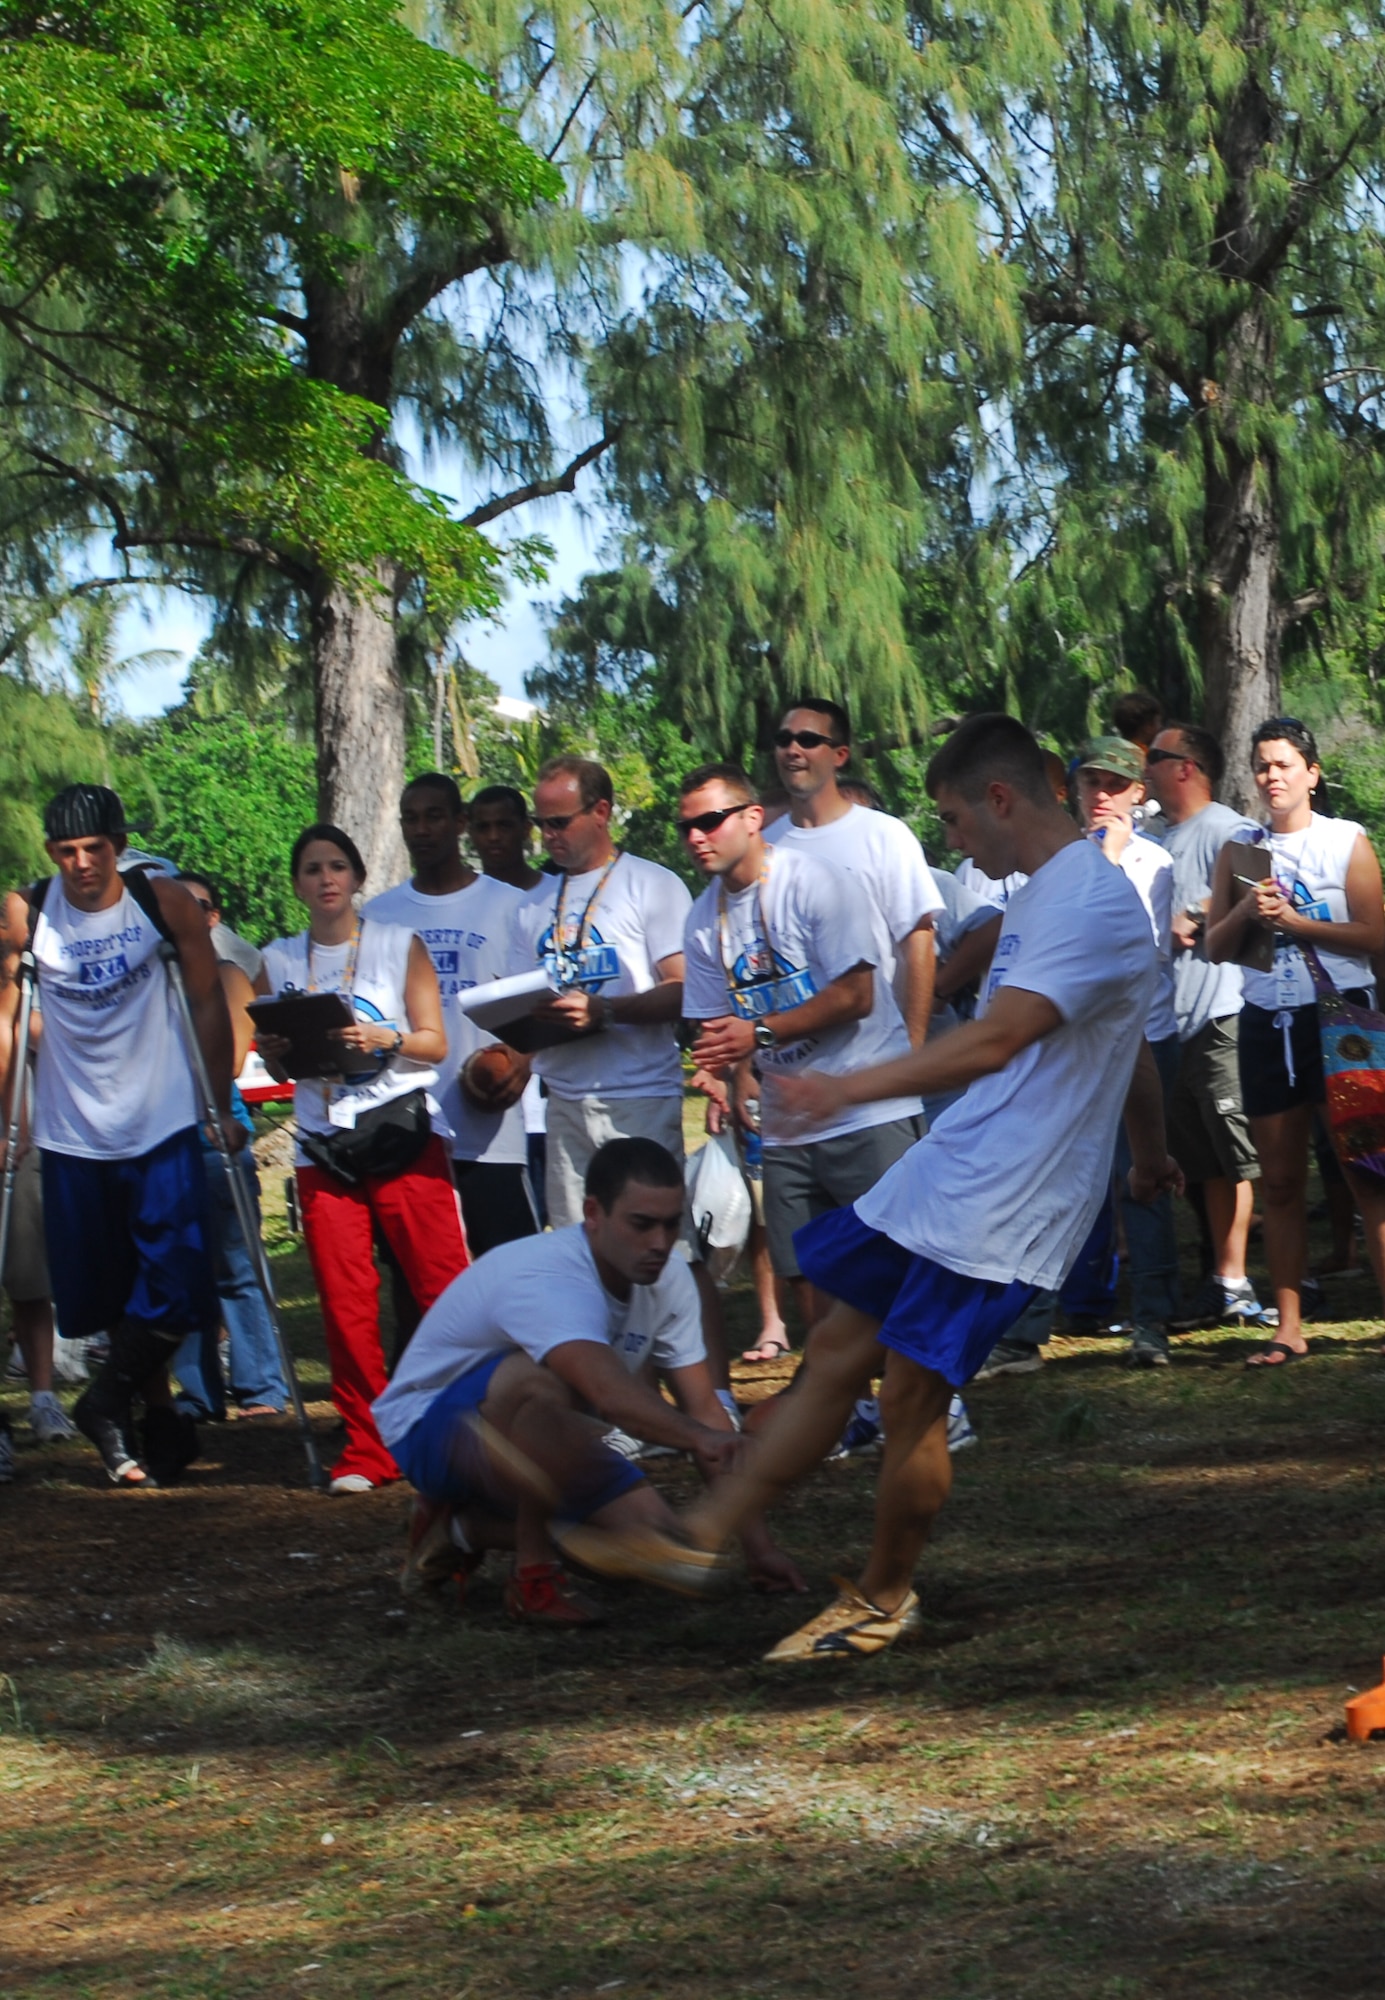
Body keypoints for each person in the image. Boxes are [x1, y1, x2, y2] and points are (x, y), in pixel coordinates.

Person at [561, 716, 1179, 1656]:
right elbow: (1117, 1038)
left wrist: (849, 1084)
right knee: (837, 1346)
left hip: (1002, 1205)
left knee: (909, 1400)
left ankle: (885, 1597)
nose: (952, 840)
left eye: (955, 818)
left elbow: (996, 1037)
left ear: (1001, 798)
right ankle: (695, 1537)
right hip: (951, 1173)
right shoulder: (1047, 898)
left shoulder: (1090, 902)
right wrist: (1148, 1149)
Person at [373, 1138, 802, 1622]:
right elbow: (609, 1396)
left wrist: (759, 1549)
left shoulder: (672, 1279)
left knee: (652, 1549)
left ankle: (458, 1529)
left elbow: (703, 1408)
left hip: (530, 1433)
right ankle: (534, 1577)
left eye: (670, 1223)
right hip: (431, 1428)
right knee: (543, 1378)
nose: (659, 1243)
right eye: (641, 1224)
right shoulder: (551, 1276)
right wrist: (699, 1437)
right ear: (593, 1213)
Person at [0, 784, 236, 1487]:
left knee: (181, 1283)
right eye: (66, 852)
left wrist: (217, 1101)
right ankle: (149, 1419)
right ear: (51, 854)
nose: (80, 864)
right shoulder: (28, 911)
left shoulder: (161, 905)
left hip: (159, 1118)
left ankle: (103, 1403)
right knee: (107, 1295)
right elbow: (10, 1013)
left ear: (118, 846)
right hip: (75, 1132)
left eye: (93, 849)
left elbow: (206, 1000)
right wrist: (9, 1118)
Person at [680, 761, 925, 1352]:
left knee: (893, 1261)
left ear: (753, 818)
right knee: (807, 1272)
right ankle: (851, 1405)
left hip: (865, 1102)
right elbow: (718, 1023)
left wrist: (757, 1037)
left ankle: (935, 1401)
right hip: (787, 1121)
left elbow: (856, 995)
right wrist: (722, 1071)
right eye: (686, 826)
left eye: (710, 821)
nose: (696, 837)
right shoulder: (701, 918)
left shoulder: (816, 882)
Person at [255, 823, 469, 1491]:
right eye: (312, 868)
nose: (325, 878)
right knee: (346, 1305)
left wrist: (385, 1037)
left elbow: (435, 1043)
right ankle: (368, 1449)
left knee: (444, 1292)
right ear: (297, 883)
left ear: (356, 877)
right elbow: (266, 1051)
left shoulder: (396, 945)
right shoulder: (278, 960)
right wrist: (277, 1054)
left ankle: (470, 1426)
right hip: (324, 1148)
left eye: (337, 866)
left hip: (401, 1134)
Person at [1206, 718, 1385, 1364]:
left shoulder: (1344, 841)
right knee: (1278, 1183)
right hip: (1265, 1022)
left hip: (1340, 1023)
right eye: (1261, 766)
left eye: (1283, 765)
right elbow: (1215, 948)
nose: (1270, 776)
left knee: (1368, 1175)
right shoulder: (1241, 849)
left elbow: (1374, 937)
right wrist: (1241, 912)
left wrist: (1299, 923)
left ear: (1310, 773)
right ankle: (1287, 1327)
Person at [508, 757, 693, 1230]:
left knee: (660, 1253)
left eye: (559, 822)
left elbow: (687, 989)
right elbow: (517, 1004)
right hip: (564, 1102)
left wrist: (605, 1010)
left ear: (601, 812)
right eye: (539, 823)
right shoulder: (530, 905)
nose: (548, 835)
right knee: (580, 1255)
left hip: (640, 1097)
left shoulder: (652, 884)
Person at [364, 775, 539, 1258]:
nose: (421, 829)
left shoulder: (509, 905)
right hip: (408, 1128)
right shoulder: (380, 915)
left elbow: (538, 1004)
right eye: (411, 818)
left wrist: (521, 1059)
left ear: (459, 823)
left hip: (490, 1132)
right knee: (419, 1289)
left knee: (508, 1277)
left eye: (434, 816)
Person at [1142, 725, 1274, 1331]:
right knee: (1205, 1164)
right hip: (1173, 1023)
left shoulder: (1225, 827)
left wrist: (1195, 913)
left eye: (1155, 759)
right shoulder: (1151, 837)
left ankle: (1236, 1282)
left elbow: (1260, 886)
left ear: (1187, 767)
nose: (1145, 769)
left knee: (1237, 1153)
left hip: (1223, 1011)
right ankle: (1223, 1275)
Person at [1071, 737, 1181, 1364]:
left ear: (1140, 793)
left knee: (1144, 1176)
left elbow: (1135, 950)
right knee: (1068, 1182)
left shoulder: (1153, 863)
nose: (1103, 794)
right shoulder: (1059, 860)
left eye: (1115, 783)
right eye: (1092, 782)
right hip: (1079, 1046)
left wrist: (1109, 860)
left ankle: (1152, 1322)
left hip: (1146, 1039)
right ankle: (1032, 1323)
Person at [174, 875, 289, 1416]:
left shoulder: (228, 976)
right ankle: (198, 1391)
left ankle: (262, 1383)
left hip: (219, 1132)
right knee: (182, 1268)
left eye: (198, 907)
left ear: (215, 917)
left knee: (239, 1267)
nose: (187, 917)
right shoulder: (160, 979)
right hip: (168, 1136)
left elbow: (234, 1059)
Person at [468, 784, 551, 1220]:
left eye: (504, 825)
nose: (494, 836)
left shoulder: (556, 896)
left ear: (525, 829)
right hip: (483, 1093)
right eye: (483, 827)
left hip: (551, 1099)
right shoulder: (461, 902)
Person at [176, 871, 263, 982]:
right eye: (172, 902)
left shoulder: (227, 975)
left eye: (196, 904)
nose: (183, 910)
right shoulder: (149, 959)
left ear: (213, 917)